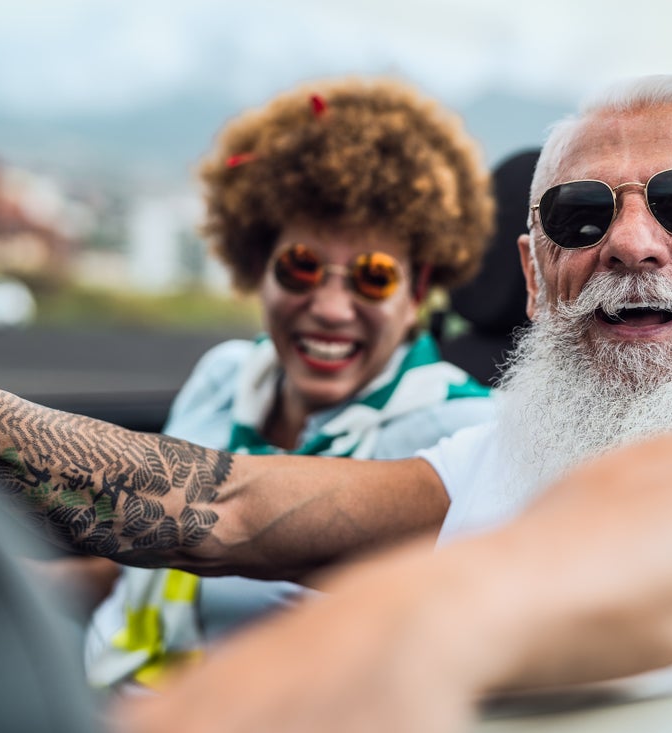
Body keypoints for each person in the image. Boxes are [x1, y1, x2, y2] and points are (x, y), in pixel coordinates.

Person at [0, 73, 672, 732]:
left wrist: (404, 632)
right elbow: (239, 507)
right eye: (579, 215)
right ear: (534, 264)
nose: (632, 244)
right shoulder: (497, 444)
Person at [78, 76, 498, 688]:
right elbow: (128, 578)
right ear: (258, 268)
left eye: (373, 276)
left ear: (415, 292)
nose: (330, 307)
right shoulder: (223, 375)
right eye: (300, 266)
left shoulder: (460, 437)